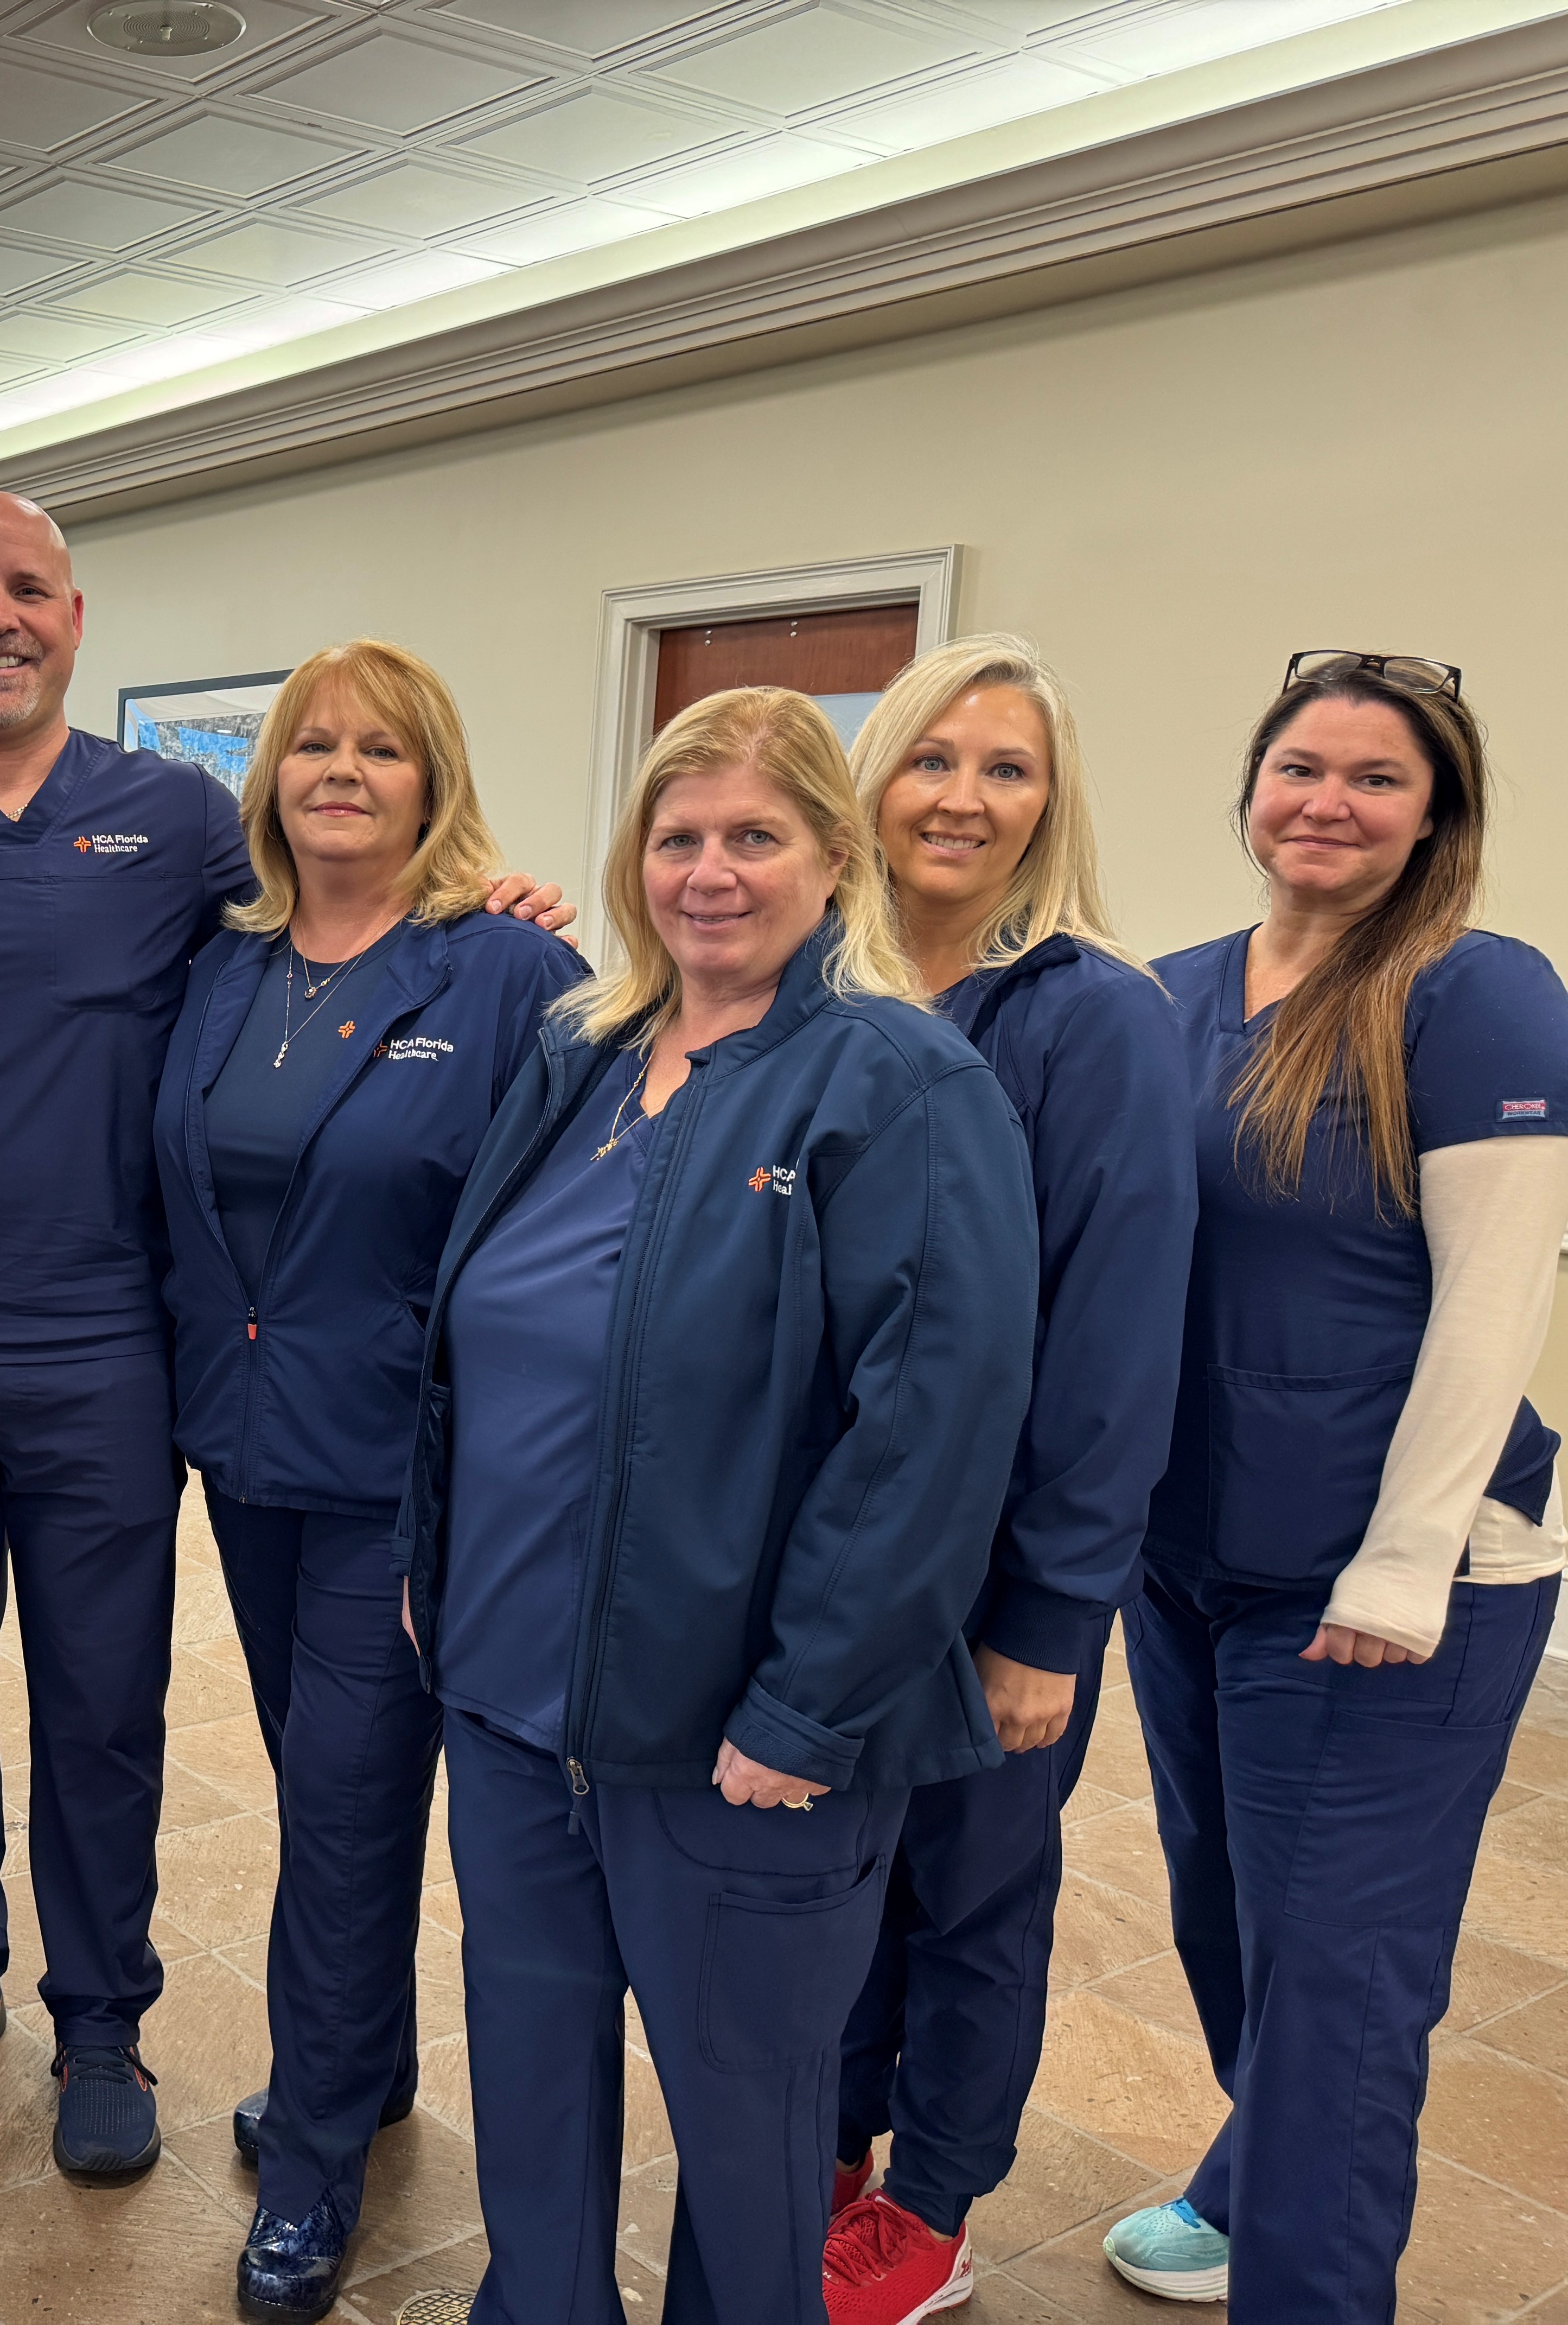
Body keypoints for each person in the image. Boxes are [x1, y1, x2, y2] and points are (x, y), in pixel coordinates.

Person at [0, 491, 562, 2177]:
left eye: (28, 590)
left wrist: (492, 899)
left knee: (102, 1705)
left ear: (77, 616)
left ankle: (102, 2019)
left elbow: (349, 913)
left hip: (112, 1352)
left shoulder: (174, 825)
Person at [392, 685, 1037, 2325]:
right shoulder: (581, 1052)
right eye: (678, 837)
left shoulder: (897, 1082)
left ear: (836, 855)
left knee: (747, 2123)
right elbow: (472, 1331)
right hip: (513, 1688)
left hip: (737, 1730)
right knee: (531, 2074)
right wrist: (436, 1563)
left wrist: (813, 1704)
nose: (711, 872)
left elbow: (929, 1437)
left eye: (756, 835)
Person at [1101, 652, 1568, 2319]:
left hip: (1398, 1592)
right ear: (1252, 783)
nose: (1329, 801)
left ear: (1435, 811)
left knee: (1340, 1988)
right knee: (1229, 1927)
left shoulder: (1477, 994)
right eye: (1302, 765)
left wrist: (1405, 1560)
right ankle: (1256, 2171)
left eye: (1379, 778)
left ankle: (1304, 2267)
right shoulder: (1167, 992)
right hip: (1191, 1561)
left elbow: (1496, 1299)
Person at [151, 640, 581, 2317]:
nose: (342, 769)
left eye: (382, 750)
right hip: (246, 1450)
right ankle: (373, 2059)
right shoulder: (223, 964)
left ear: (433, 782)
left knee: (336, 1815)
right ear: (270, 780)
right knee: (326, 1777)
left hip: (407, 1469)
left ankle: (319, 2152)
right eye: (313, 745)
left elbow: (563, 1234)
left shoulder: (510, 974)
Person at [819, 639, 1196, 2323]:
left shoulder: (1097, 1016)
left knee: (970, 1888)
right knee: (827, 1872)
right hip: (819, 1546)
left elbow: (1117, 1341)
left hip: (992, 1565)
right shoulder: (812, 980)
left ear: (1053, 803)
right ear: (874, 779)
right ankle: (824, 2145)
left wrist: (1051, 1613)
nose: (965, 796)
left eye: (1008, 767)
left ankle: (937, 2200)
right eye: (933, 759)